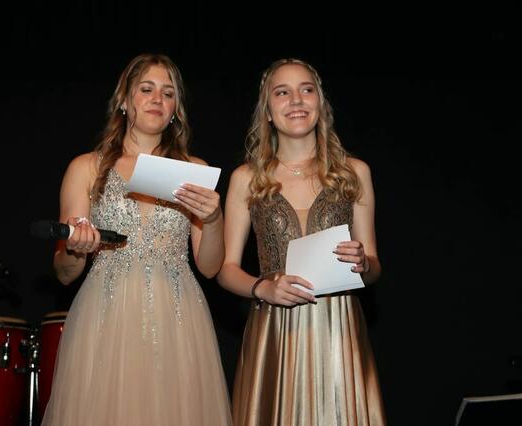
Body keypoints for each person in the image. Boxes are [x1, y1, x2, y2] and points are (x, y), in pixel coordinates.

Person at [41, 54, 232, 425]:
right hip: (107, 313)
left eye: (168, 93)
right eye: (146, 89)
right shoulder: (87, 167)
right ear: (124, 101)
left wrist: (213, 219)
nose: (157, 99)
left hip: (178, 316)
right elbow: (64, 273)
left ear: (175, 109)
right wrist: (76, 249)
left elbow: (210, 268)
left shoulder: (195, 170)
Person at [218, 58, 386, 425]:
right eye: (282, 92)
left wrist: (363, 264)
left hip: (338, 327)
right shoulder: (247, 178)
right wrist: (263, 288)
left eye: (306, 90)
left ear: (320, 104)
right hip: (275, 330)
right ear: (267, 111)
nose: (296, 100)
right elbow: (226, 269)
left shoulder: (354, 173)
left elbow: (374, 266)